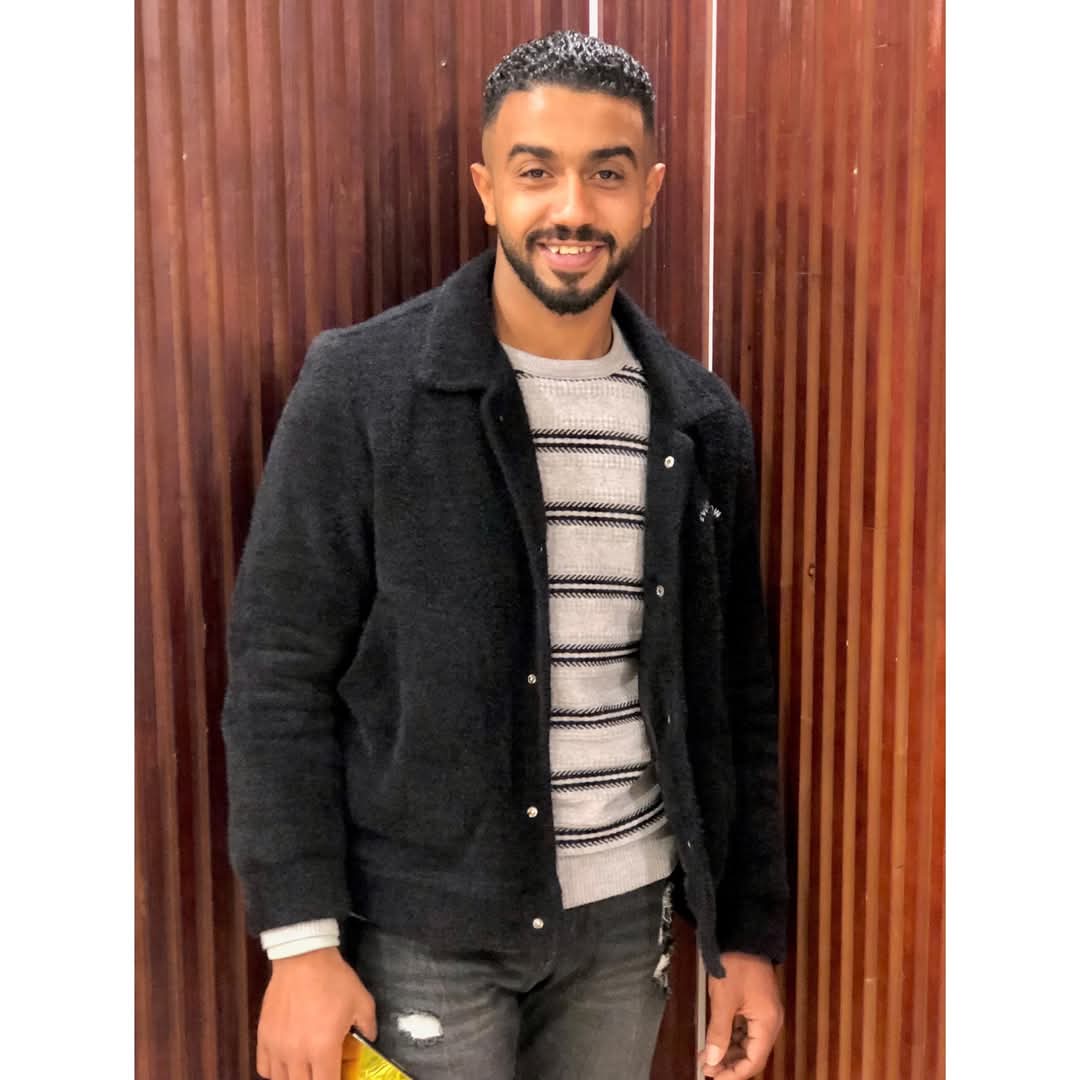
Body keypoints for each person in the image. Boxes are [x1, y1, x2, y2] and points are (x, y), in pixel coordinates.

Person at [223, 29, 787, 1080]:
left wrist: (743, 936)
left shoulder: (702, 421)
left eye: (607, 174)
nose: (571, 208)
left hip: (625, 930)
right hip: (423, 935)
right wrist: (300, 944)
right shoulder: (362, 389)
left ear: (651, 193)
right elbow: (278, 677)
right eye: (536, 172)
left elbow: (736, 700)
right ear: (487, 190)